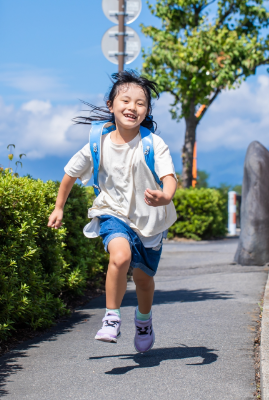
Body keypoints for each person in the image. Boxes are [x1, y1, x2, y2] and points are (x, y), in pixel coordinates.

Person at [47, 71, 177, 353]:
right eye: (125, 100)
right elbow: (70, 174)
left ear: (147, 111)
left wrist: (165, 196)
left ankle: (143, 320)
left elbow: (169, 177)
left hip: (149, 222)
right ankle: (111, 317)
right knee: (120, 256)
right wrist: (59, 207)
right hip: (112, 214)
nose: (132, 107)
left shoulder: (153, 144)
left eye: (140, 103)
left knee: (144, 279)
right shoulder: (98, 143)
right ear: (111, 105)